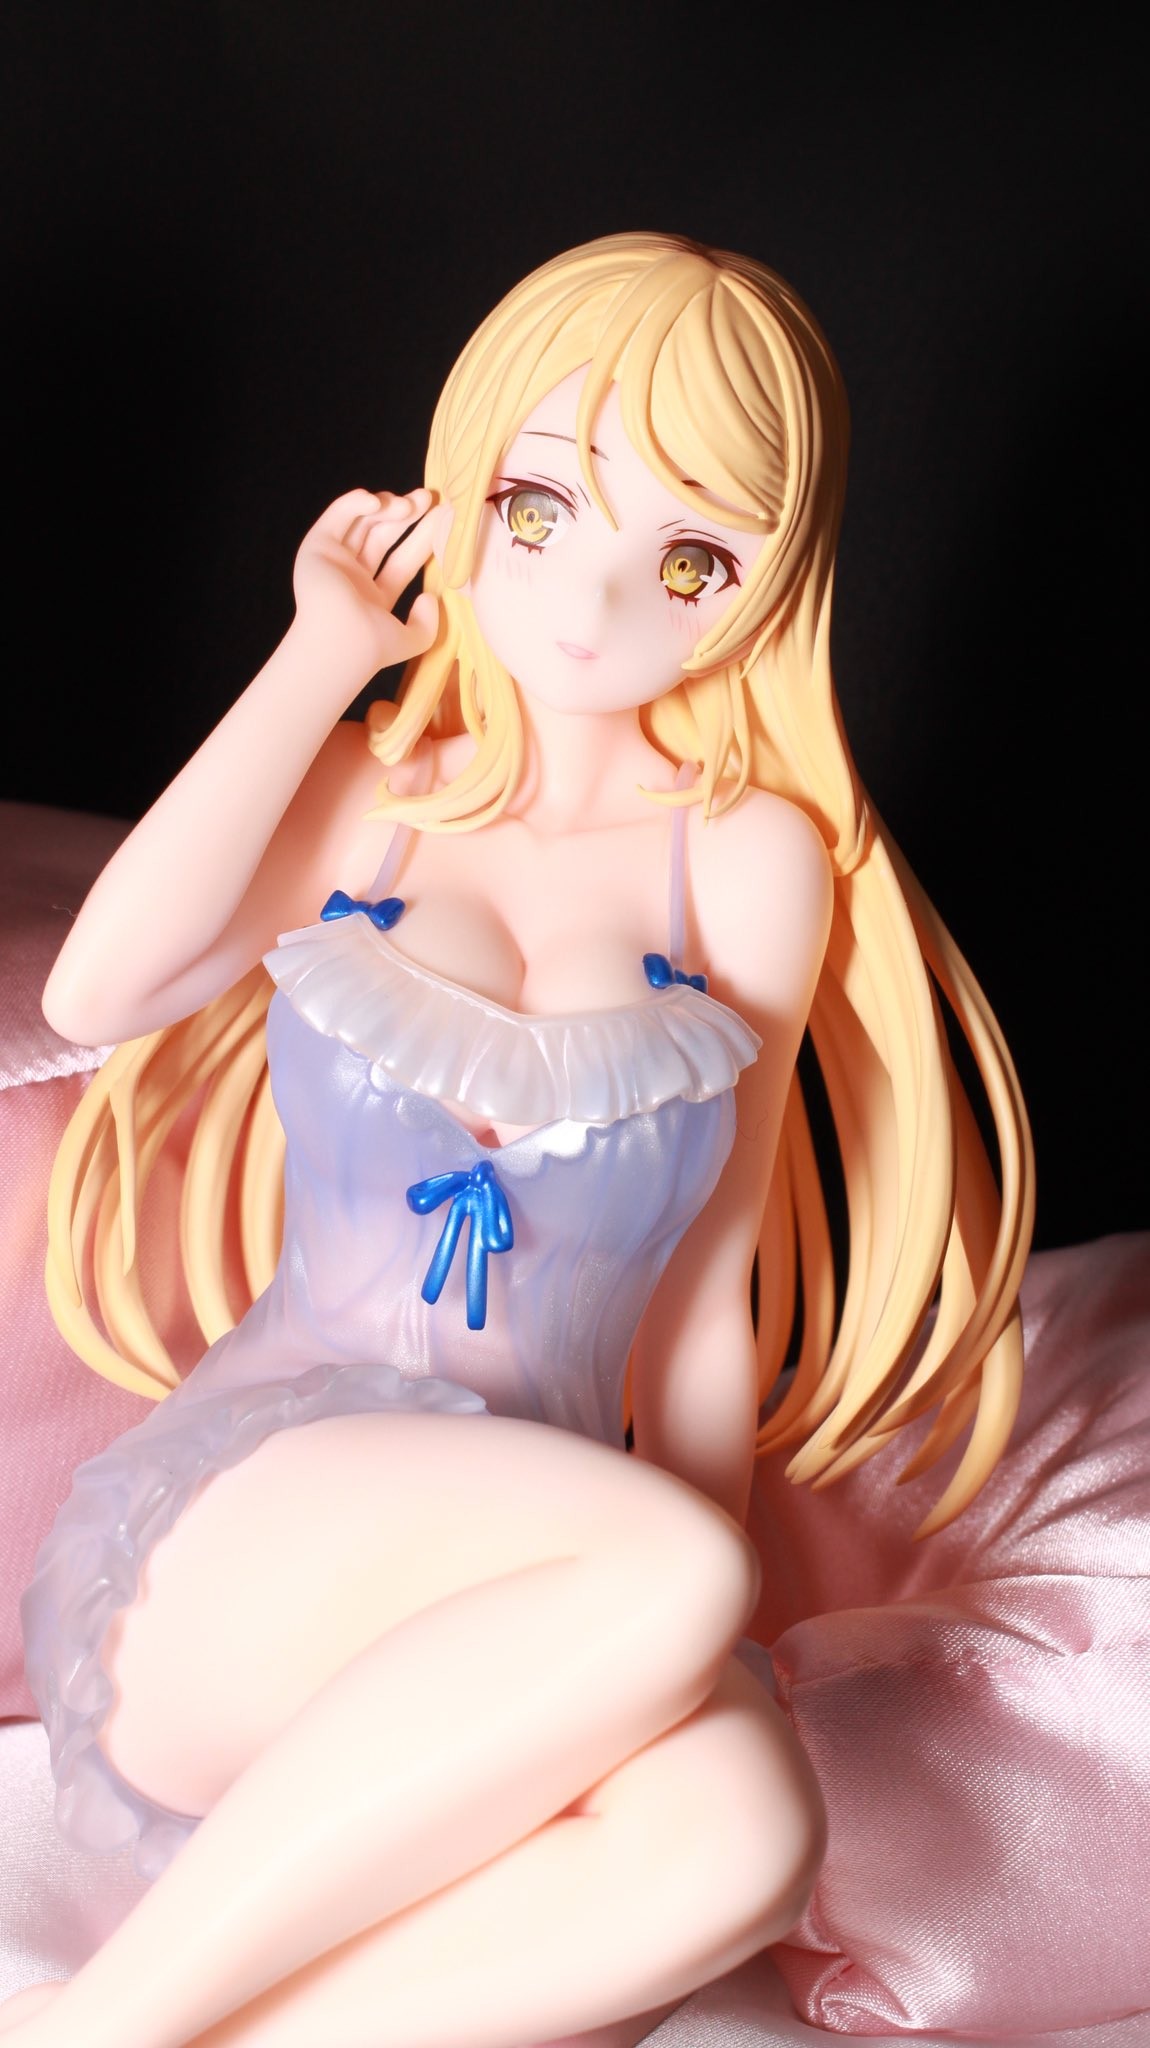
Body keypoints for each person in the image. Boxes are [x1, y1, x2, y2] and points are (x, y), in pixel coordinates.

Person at [6, 233, 1030, 2048]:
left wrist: (667, 1661)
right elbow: (101, 985)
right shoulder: (377, 796)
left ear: (770, 584)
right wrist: (321, 656)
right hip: (253, 1538)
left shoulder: (747, 860)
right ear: (462, 481)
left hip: (548, 1584)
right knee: (675, 1567)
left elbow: (704, 1296)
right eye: (540, 508)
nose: (590, 601)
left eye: (690, 559)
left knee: (743, 1832)